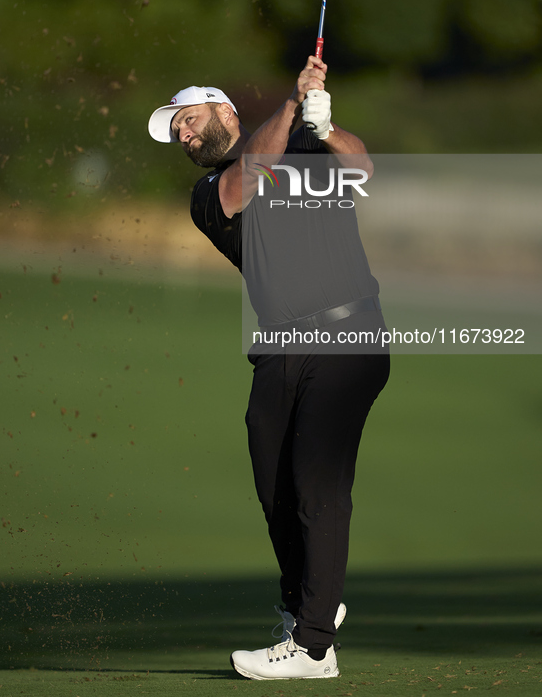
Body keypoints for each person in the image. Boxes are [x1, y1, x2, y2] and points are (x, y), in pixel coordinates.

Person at [148, 56, 390, 680]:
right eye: (176, 130)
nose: (183, 134)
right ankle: (306, 607)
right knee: (276, 489)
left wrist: (324, 123)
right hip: (280, 349)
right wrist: (292, 102)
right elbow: (247, 175)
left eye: (188, 119)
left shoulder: (308, 147)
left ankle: (312, 646)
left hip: (349, 335)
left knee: (317, 488)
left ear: (225, 110)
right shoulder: (207, 196)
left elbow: (364, 168)